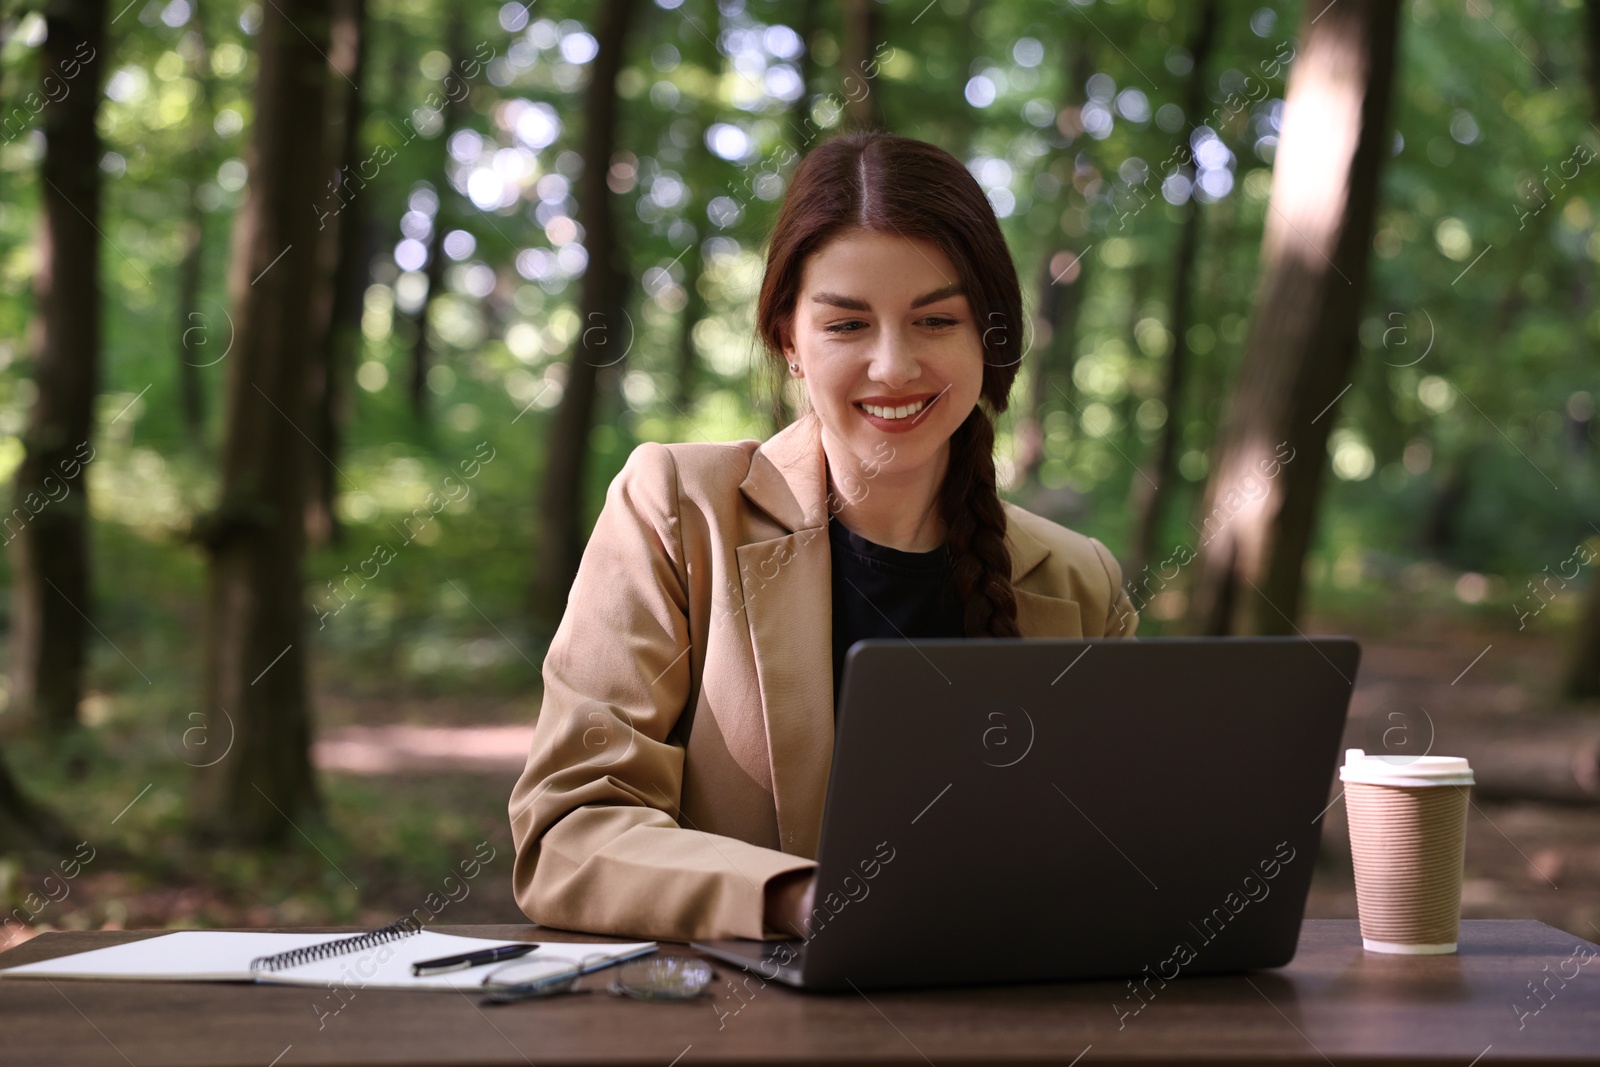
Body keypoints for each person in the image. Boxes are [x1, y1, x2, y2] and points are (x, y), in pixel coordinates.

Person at [508, 129, 1139, 944]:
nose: (893, 365)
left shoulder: (1080, 580)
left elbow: (1120, 853)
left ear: (989, 334)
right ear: (787, 339)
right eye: (847, 325)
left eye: (935, 319)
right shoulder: (677, 510)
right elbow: (569, 832)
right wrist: (803, 898)